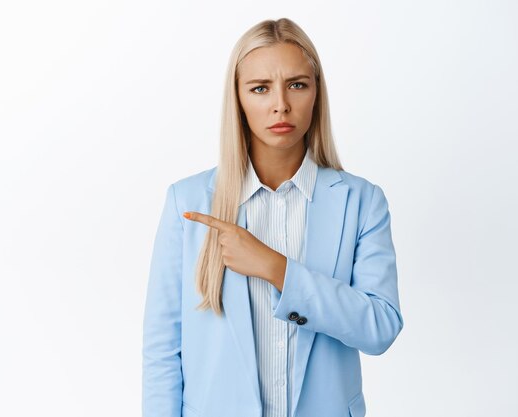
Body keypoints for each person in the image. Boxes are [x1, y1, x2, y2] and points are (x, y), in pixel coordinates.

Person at [142, 17, 404, 417]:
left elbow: (380, 328)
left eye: (297, 84)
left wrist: (277, 269)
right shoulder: (189, 202)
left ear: (317, 93)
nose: (280, 104)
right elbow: (163, 350)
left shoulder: (362, 201)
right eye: (260, 88)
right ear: (239, 99)